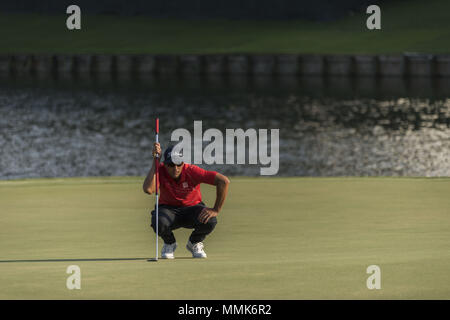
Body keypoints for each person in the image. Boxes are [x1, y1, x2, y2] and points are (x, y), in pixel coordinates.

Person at [143, 143, 230, 259]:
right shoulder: (160, 170)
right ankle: (169, 243)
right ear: (165, 163)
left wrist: (216, 209)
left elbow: (223, 181)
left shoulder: (192, 171)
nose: (175, 168)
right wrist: (155, 161)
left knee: (210, 220)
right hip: (168, 210)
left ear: (183, 162)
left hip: (192, 209)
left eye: (179, 164)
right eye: (171, 164)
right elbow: (149, 189)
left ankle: (194, 242)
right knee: (158, 221)